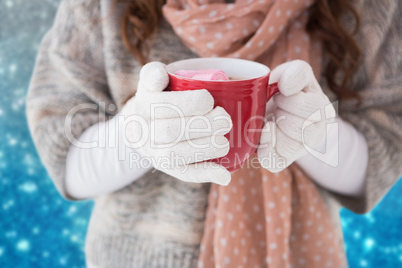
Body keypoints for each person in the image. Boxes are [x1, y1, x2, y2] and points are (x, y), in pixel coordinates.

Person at [26, 0, 402, 267]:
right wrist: (136, 133)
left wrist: (316, 134)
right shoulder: (101, 6)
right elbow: (65, 154)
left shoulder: (369, 7)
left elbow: (387, 145)